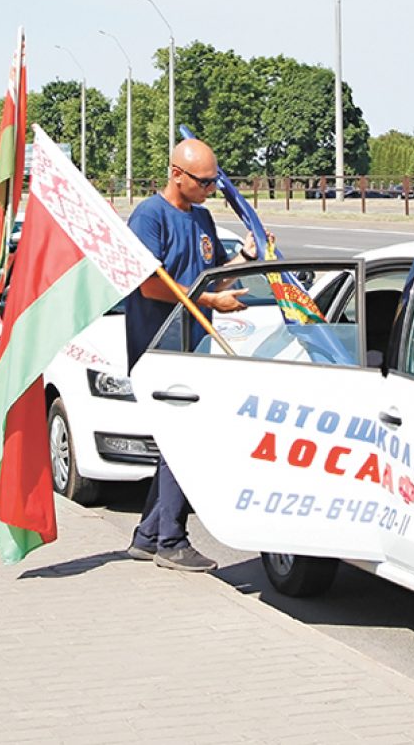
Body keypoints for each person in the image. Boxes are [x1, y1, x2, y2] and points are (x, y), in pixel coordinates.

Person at [124, 137, 260, 572]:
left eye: (215, 182)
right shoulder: (150, 215)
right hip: (157, 346)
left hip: (193, 347)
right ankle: (171, 541)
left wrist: (244, 257)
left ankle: (147, 537)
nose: (209, 190)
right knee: (182, 440)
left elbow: (210, 280)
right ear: (176, 174)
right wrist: (208, 304)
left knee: (175, 440)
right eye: (203, 182)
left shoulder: (200, 219)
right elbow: (149, 283)